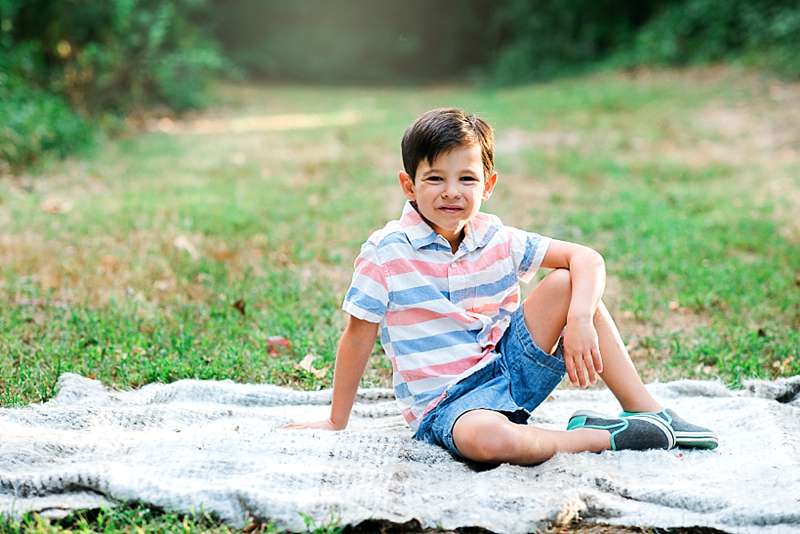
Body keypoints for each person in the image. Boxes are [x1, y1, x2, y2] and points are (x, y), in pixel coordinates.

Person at [283, 108, 718, 465]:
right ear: (409, 185)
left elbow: (587, 258)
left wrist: (580, 318)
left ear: (488, 185)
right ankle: (606, 438)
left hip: (511, 369)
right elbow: (358, 336)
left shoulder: (497, 238)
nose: (451, 192)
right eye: (435, 178)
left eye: (466, 179)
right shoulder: (386, 253)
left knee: (569, 281)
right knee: (487, 442)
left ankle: (649, 412)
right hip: (448, 405)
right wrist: (337, 421)